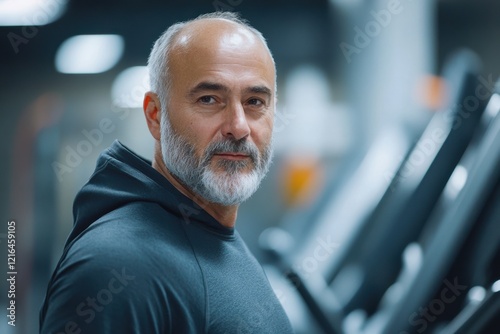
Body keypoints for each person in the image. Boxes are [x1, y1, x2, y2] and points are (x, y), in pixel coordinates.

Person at [40, 11, 294, 334]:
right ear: (155, 115)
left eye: (255, 101)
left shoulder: (212, 236)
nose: (238, 127)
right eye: (209, 99)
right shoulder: (116, 268)